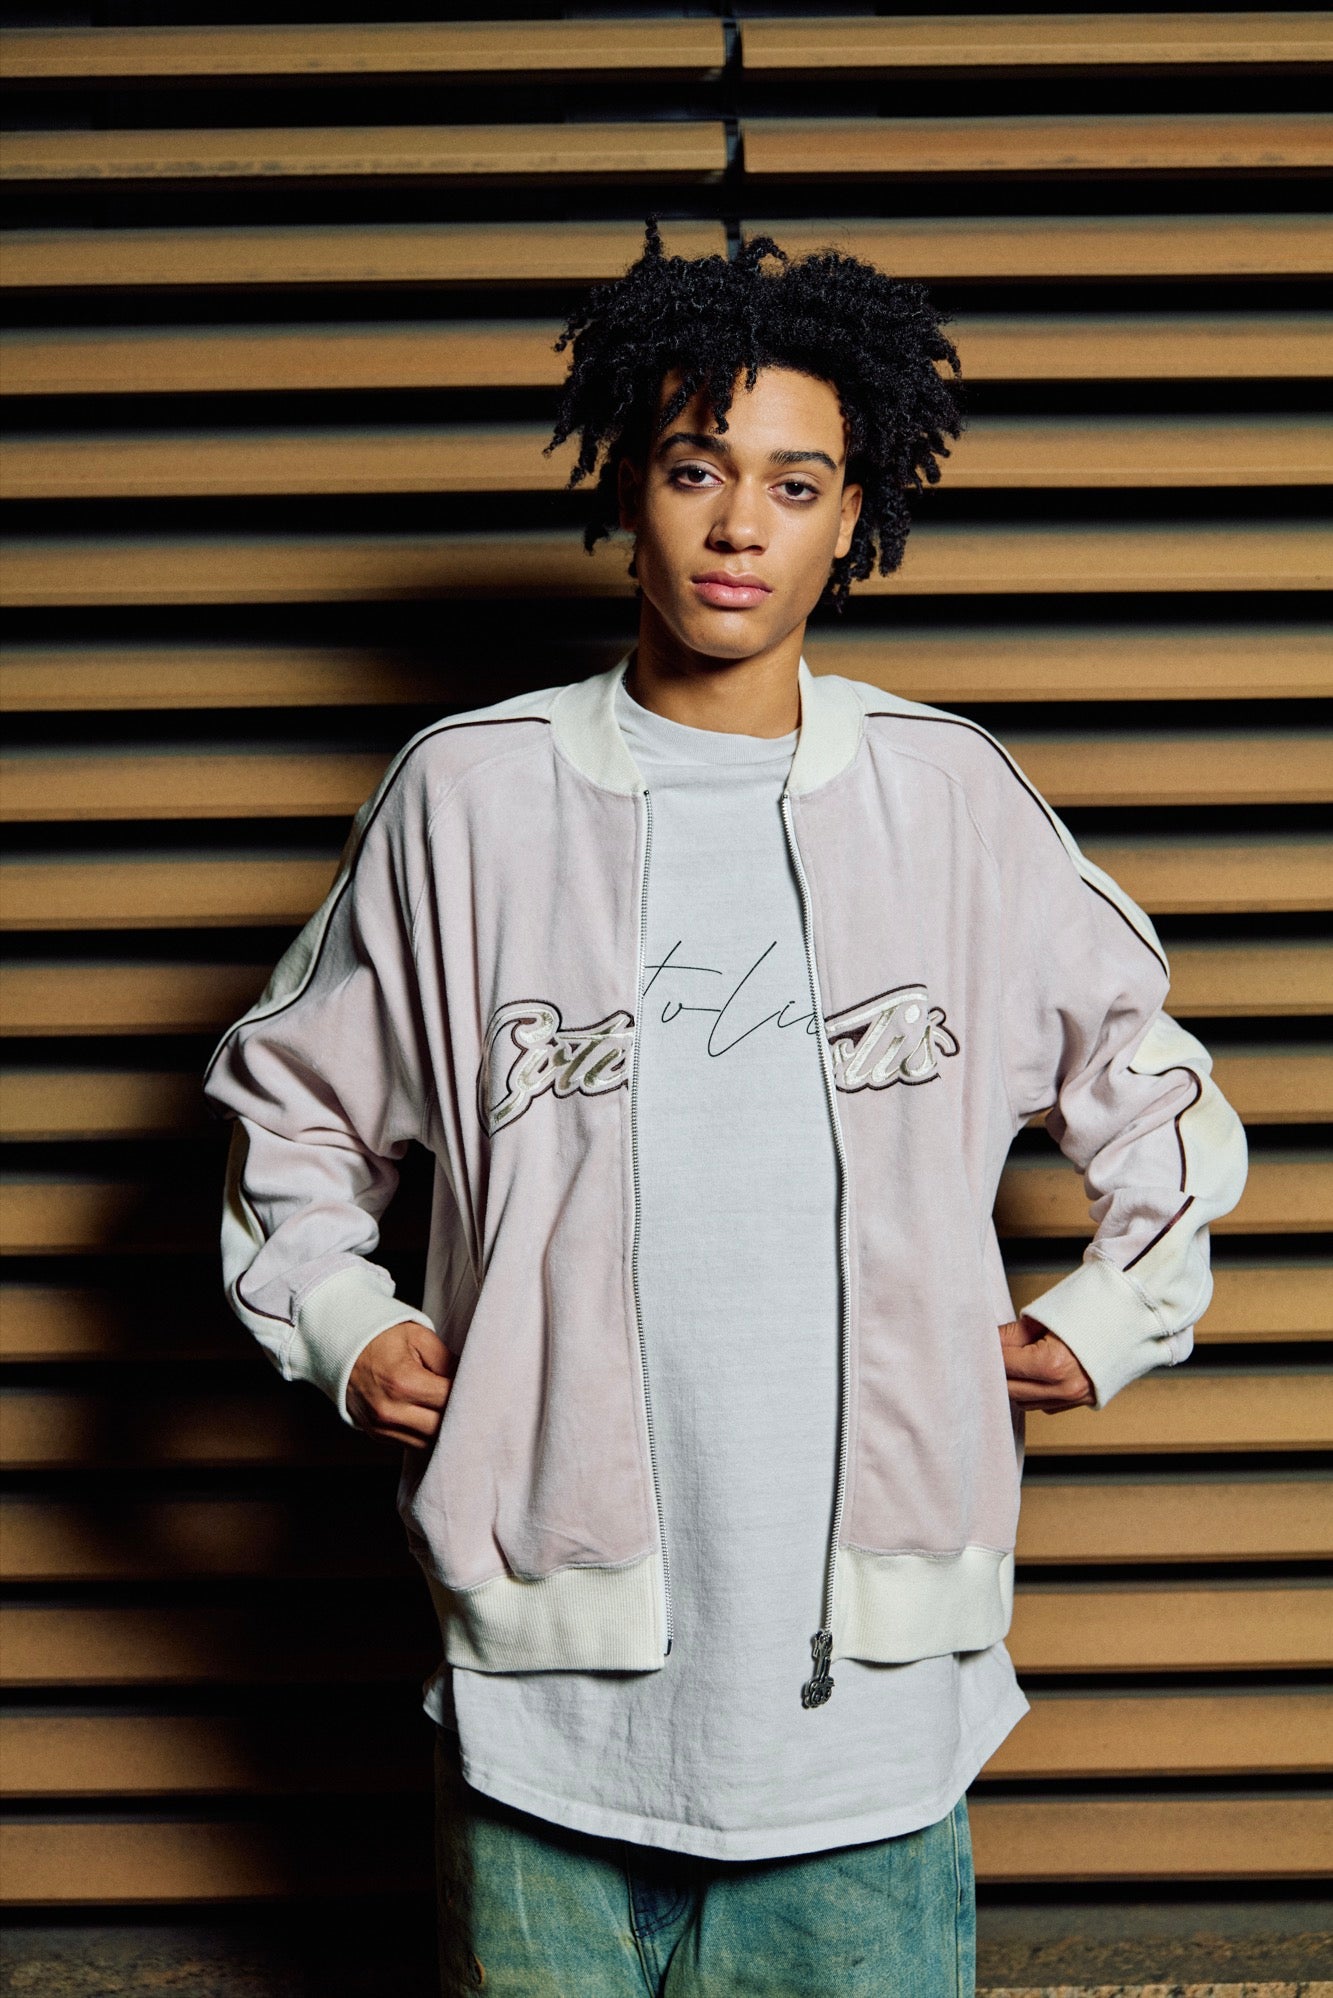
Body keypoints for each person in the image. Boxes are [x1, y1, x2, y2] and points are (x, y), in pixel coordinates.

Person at [201, 219, 1249, 1997]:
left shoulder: (949, 800)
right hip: (545, 1694)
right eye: (696, 467)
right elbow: (288, 1114)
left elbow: (1158, 1098)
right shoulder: (469, 798)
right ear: (629, 485)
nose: (739, 523)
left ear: (853, 518)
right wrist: (338, 1320)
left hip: (871, 1714)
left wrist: (1110, 1316)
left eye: (794, 482)